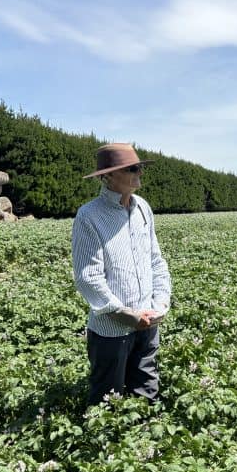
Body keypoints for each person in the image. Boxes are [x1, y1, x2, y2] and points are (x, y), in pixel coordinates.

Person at [71, 143, 171, 405]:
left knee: (147, 393)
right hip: (111, 331)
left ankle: (146, 441)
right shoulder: (89, 216)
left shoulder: (143, 209)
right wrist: (124, 314)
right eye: (132, 168)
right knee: (107, 400)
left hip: (148, 323)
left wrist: (160, 303)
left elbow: (156, 261)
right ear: (108, 176)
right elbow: (88, 277)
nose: (140, 172)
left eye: (139, 167)